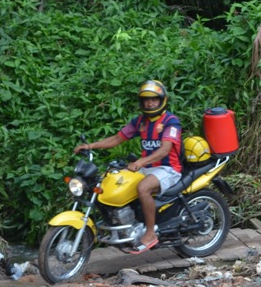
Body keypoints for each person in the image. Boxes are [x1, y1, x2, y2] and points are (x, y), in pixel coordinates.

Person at [74, 80, 182, 253]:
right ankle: (124, 225)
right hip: (147, 167)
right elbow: (117, 139)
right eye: (146, 100)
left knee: (143, 188)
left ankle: (150, 233)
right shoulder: (141, 121)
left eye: (154, 99)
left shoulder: (171, 122)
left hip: (168, 169)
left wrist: (140, 162)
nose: (150, 103)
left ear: (162, 100)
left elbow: (164, 151)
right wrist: (90, 146)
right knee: (113, 181)